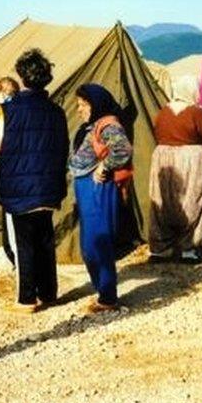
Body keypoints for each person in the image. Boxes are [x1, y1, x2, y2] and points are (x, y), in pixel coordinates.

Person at [0, 49, 68, 314]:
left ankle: (26, 299)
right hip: (48, 186)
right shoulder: (57, 112)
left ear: (22, 76)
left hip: (19, 188)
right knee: (46, 239)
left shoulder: (9, 110)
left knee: (24, 242)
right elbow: (62, 149)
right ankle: (49, 292)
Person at [69, 84, 133, 313]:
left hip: (98, 189)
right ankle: (102, 292)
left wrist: (105, 166)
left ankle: (108, 297)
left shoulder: (108, 124)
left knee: (99, 241)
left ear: (96, 103)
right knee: (89, 244)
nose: (79, 109)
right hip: (87, 188)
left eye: (84, 104)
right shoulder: (95, 125)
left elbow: (123, 150)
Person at [149, 79, 202, 264]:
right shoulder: (196, 112)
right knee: (192, 201)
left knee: (164, 202)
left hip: (163, 158)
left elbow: (158, 134)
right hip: (190, 160)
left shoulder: (163, 112)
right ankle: (189, 248)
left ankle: (161, 249)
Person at [0, 76, 20, 267]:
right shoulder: (24, 111)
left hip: (10, 170)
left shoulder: (6, 112)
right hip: (24, 170)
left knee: (11, 218)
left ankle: (15, 257)